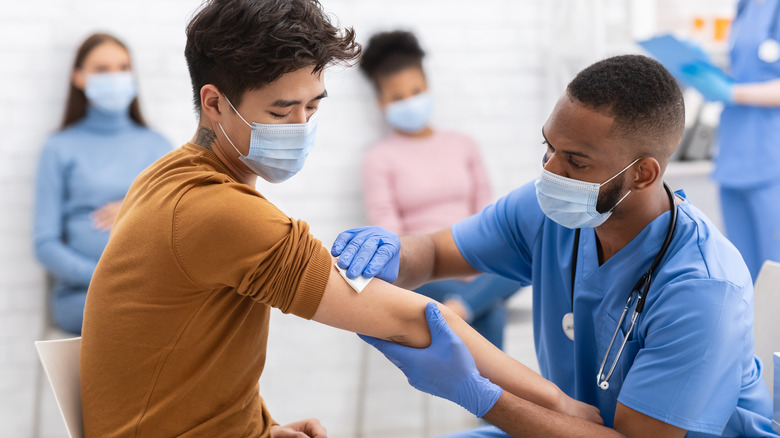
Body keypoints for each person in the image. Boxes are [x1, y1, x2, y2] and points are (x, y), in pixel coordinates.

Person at [79, 1, 620, 437]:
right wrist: (556, 403)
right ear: (215, 103)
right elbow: (416, 320)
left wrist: (260, 428)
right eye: (279, 111)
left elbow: (179, 355)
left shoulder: (166, 177)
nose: (299, 126)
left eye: (312, 107)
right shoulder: (217, 212)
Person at [334, 55, 778, 437]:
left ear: (643, 174)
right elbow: (432, 254)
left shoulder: (702, 289)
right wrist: (393, 254)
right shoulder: (547, 210)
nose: (550, 171)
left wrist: (478, 394)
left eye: (576, 161)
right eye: (548, 147)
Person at [358, 30, 522, 349]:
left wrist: (472, 261)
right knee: (492, 312)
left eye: (416, 91)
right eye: (397, 97)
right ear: (381, 102)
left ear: (428, 87)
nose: (410, 102)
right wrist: (439, 264)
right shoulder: (378, 158)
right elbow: (388, 233)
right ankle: (500, 393)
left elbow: (485, 214)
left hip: (475, 257)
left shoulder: (463, 145)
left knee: (524, 257)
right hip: (421, 272)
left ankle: (457, 311)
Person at [33, 33, 171, 335]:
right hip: (83, 295)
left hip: (150, 289)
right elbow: (45, 244)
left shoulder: (159, 146)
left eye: (123, 67)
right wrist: (103, 276)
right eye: (102, 69)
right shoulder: (59, 148)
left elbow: (181, 223)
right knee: (137, 320)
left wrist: (134, 207)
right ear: (79, 78)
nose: (115, 77)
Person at [676, 0, 780, 282]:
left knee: (775, 272)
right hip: (735, 157)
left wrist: (732, 92)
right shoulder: (745, 6)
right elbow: (745, 70)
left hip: (771, 159)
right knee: (743, 274)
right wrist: (705, 72)